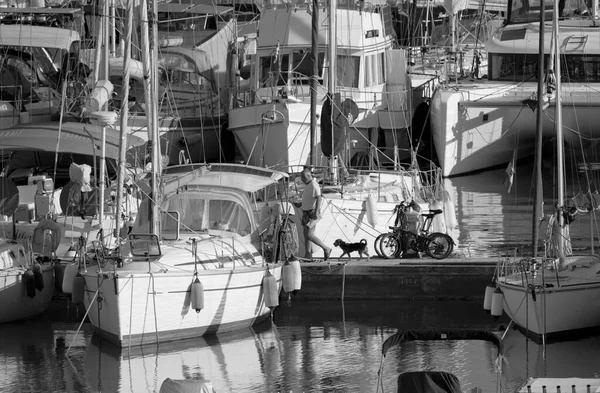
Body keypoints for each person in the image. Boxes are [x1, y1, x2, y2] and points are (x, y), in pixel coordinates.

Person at [294, 167, 331, 261]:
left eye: (303, 178)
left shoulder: (314, 184)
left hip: (311, 212)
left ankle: (326, 248)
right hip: (306, 212)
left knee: (309, 235)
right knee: (305, 234)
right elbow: (309, 199)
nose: (302, 180)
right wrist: (300, 204)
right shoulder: (308, 185)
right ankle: (307, 255)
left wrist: (316, 212)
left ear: (308, 176)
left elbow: (319, 198)